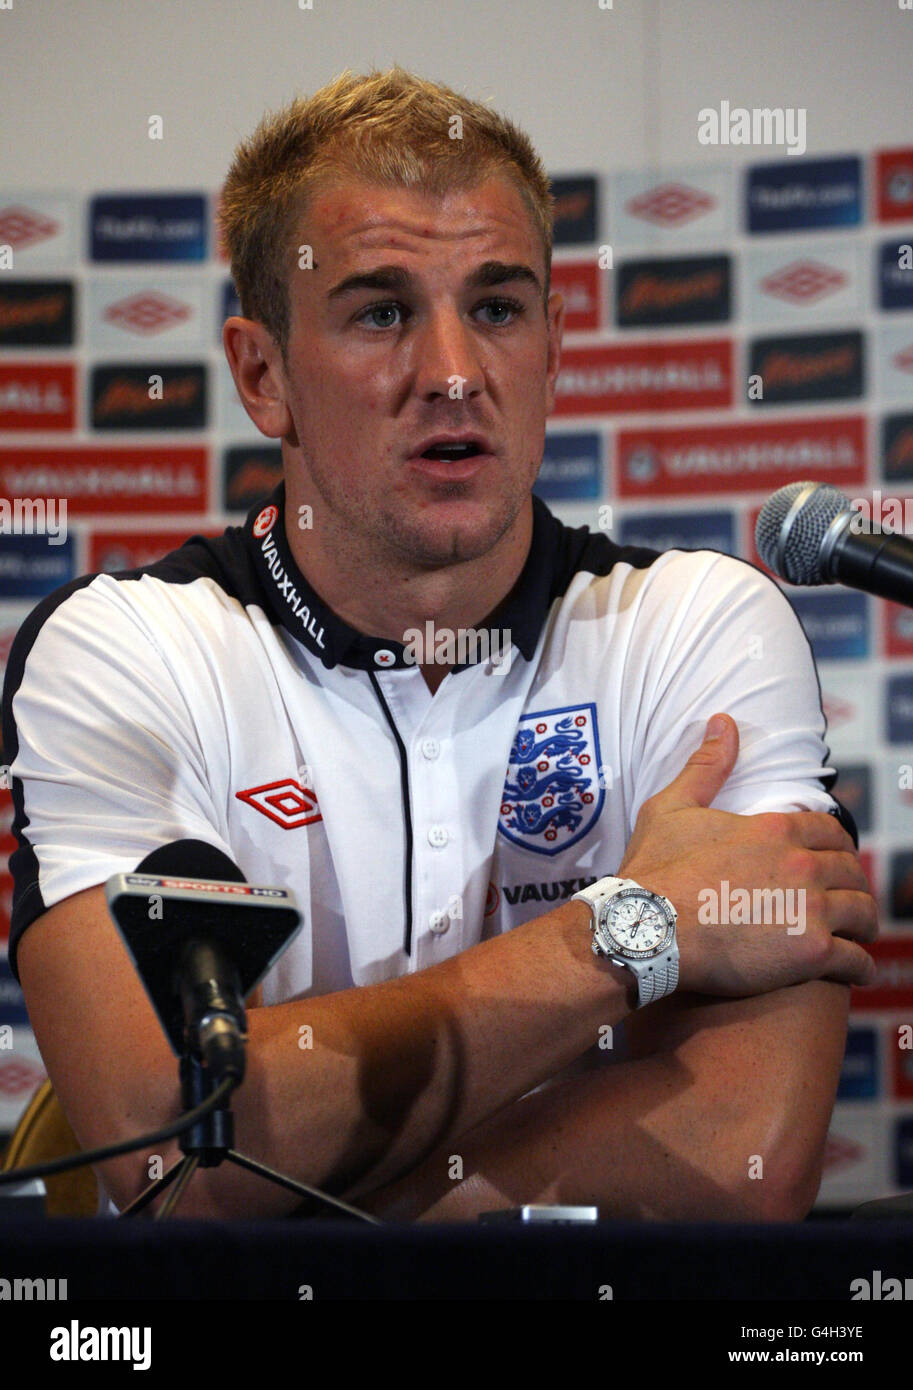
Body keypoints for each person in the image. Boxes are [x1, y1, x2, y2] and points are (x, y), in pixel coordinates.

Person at [1, 66, 877, 1223]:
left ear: (556, 345)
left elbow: (738, 1154)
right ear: (263, 376)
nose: (455, 371)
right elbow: (172, 1152)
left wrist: (293, 1222)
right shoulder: (120, 653)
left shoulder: (699, 629)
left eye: (499, 308)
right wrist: (636, 929)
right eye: (381, 311)